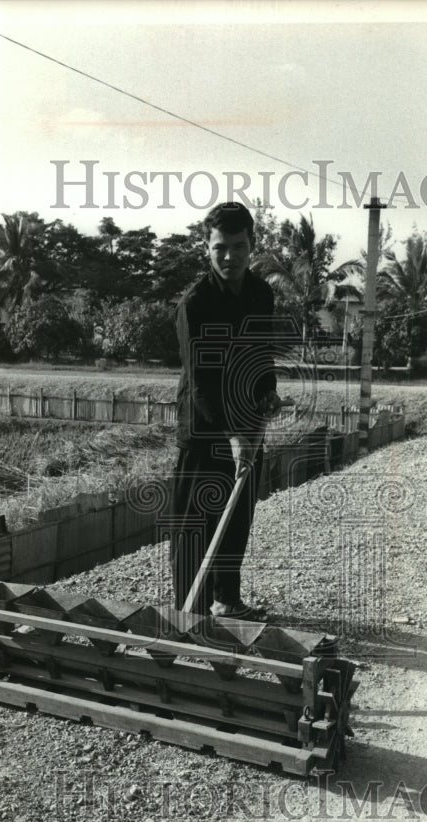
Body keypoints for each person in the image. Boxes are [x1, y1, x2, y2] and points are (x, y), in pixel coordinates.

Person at [170, 202, 281, 620]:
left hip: (248, 423)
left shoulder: (260, 294)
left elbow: (262, 354)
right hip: (203, 429)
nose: (229, 256)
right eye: (220, 248)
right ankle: (189, 614)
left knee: (236, 517)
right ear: (207, 248)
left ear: (252, 246)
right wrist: (232, 435)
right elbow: (201, 382)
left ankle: (225, 601)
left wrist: (268, 390)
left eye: (238, 247)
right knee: (194, 526)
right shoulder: (194, 303)